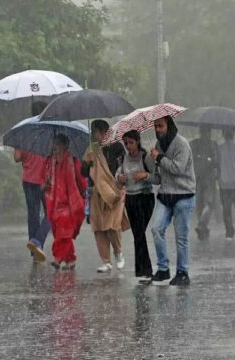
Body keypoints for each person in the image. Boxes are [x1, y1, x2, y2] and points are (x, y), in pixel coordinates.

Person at [149, 116, 196, 286]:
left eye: (160, 126)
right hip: (165, 195)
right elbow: (158, 176)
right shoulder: (158, 145)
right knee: (156, 229)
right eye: (155, 126)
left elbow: (178, 168)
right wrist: (144, 176)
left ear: (169, 125)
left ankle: (182, 272)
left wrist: (160, 158)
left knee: (181, 236)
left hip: (183, 195)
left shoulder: (181, 144)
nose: (158, 130)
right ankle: (163, 269)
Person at [83, 120, 129, 273]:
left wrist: (123, 184)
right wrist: (87, 164)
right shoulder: (91, 150)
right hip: (97, 192)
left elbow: (124, 167)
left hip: (114, 191)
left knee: (113, 225)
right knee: (99, 227)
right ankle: (106, 261)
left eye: (97, 132)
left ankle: (118, 253)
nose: (96, 135)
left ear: (104, 132)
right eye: (94, 132)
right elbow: (84, 173)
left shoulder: (117, 147)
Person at [115, 130, 157, 281]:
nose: (128, 146)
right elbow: (118, 176)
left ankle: (145, 270)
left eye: (131, 143)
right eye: (125, 143)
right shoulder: (123, 159)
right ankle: (143, 271)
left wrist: (144, 175)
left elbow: (156, 178)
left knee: (139, 233)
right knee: (137, 234)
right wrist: (119, 178)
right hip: (131, 199)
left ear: (138, 142)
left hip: (145, 198)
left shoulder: (145, 157)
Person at [43, 134, 86, 270]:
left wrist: (84, 194)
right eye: (54, 144)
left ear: (65, 146)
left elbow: (81, 180)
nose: (54, 147)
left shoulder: (73, 161)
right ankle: (70, 259)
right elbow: (42, 181)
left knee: (64, 233)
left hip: (69, 204)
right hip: (54, 203)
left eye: (58, 144)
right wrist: (46, 183)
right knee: (59, 232)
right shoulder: (49, 162)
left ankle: (58, 258)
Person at [15, 101, 51, 262]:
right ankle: (38, 241)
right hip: (45, 179)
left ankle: (35, 248)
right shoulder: (49, 131)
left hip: (28, 179)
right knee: (51, 213)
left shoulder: (24, 131)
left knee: (33, 214)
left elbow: (17, 158)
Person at [190, 126, 219, 241]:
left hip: (197, 177)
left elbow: (190, 161)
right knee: (209, 203)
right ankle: (202, 225)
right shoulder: (213, 145)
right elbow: (217, 162)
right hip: (208, 178)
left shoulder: (194, 144)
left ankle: (203, 228)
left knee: (200, 203)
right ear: (209, 133)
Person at [218, 129, 235, 239]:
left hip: (224, 183)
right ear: (233, 135)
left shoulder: (219, 149)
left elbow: (217, 165)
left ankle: (229, 231)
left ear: (223, 135)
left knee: (226, 209)